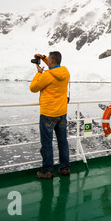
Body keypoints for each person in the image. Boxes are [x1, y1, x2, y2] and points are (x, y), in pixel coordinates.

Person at [30, 51, 70, 179]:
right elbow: (54, 67)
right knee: (62, 142)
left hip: (48, 114)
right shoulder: (65, 72)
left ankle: (47, 171)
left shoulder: (47, 75)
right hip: (62, 114)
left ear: (51, 62)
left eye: (49, 61)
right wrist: (44, 58)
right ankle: (64, 168)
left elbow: (33, 88)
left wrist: (38, 72)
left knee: (47, 143)